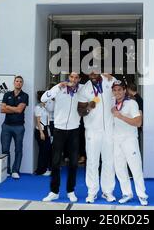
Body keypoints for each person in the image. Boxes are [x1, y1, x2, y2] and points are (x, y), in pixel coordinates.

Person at [42, 72, 82, 203]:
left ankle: (71, 191)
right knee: (55, 162)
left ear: (79, 79)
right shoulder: (59, 89)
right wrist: (58, 86)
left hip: (74, 130)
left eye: (76, 77)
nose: (73, 79)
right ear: (68, 78)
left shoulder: (81, 89)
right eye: (71, 77)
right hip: (59, 130)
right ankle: (54, 191)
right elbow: (43, 98)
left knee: (74, 163)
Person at [77, 71, 117, 203]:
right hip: (92, 131)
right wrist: (88, 107)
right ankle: (92, 192)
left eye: (95, 73)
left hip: (109, 130)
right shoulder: (85, 89)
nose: (92, 75)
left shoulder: (109, 81)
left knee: (108, 162)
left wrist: (110, 77)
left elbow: (121, 90)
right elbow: (80, 111)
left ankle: (107, 192)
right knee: (92, 162)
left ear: (100, 72)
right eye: (90, 74)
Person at [111, 80, 148, 206]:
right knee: (120, 169)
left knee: (135, 167)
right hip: (116, 140)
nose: (117, 92)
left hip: (129, 139)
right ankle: (126, 193)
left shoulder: (132, 103)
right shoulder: (111, 103)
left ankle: (142, 195)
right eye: (115, 90)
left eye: (119, 89)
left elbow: (138, 122)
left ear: (124, 90)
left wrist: (120, 116)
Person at [0, 76, 29, 179]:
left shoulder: (25, 96)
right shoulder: (7, 94)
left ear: (22, 84)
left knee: (18, 150)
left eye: (21, 82)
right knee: (5, 149)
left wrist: (8, 106)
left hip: (19, 127)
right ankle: (6, 170)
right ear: (14, 82)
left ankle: (15, 170)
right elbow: (2, 110)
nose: (19, 83)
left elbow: (19, 110)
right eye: (17, 81)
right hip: (6, 126)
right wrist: (13, 108)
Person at [34, 90, 52, 176]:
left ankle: (44, 168)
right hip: (40, 130)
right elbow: (38, 121)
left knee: (46, 150)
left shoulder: (46, 107)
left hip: (46, 129)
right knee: (43, 151)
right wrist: (41, 133)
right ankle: (40, 170)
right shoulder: (38, 107)